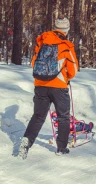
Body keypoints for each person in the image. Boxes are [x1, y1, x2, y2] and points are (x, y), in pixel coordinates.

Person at [18, 17, 79, 158]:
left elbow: (34, 63)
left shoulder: (42, 41)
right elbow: (73, 69)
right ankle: (61, 148)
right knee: (63, 116)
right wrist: (66, 77)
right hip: (59, 86)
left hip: (40, 85)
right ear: (67, 30)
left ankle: (27, 141)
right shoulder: (66, 45)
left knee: (38, 116)